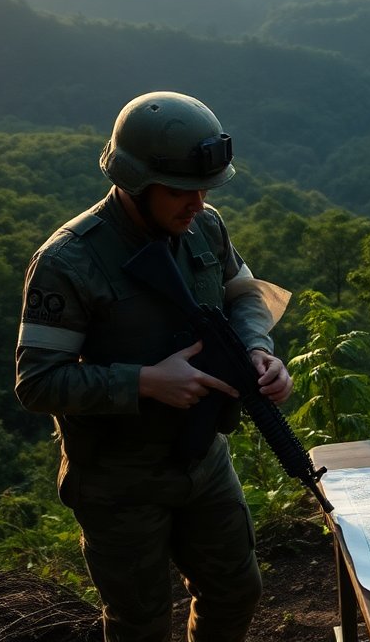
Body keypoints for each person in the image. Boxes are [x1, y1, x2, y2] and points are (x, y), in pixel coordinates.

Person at [15, 91, 293, 642]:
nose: (196, 203)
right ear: (134, 182)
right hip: (118, 478)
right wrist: (144, 382)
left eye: (204, 189)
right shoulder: (69, 261)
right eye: (179, 191)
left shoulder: (204, 227)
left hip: (202, 457)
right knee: (139, 624)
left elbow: (243, 293)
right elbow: (38, 383)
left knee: (236, 591)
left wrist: (256, 349)